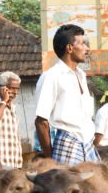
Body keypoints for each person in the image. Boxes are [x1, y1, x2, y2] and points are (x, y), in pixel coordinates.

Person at [34, 24, 99, 165]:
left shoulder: (81, 75)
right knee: (67, 186)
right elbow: (41, 122)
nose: (87, 49)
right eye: (82, 44)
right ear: (69, 48)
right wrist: (50, 158)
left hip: (88, 144)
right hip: (67, 144)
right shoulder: (51, 76)